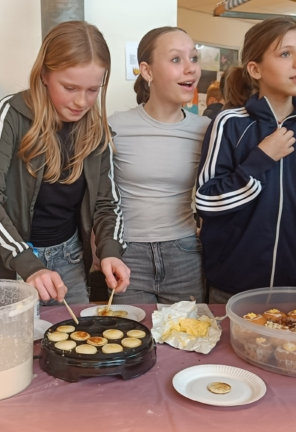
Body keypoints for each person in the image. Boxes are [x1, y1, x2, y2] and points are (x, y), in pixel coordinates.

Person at [0, 21, 130, 304]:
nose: (82, 101)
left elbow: (108, 204)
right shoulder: (11, 114)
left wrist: (111, 251)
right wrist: (26, 262)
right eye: (69, 87)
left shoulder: (97, 130)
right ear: (44, 74)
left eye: (93, 89)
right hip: (18, 261)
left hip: (71, 258)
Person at [195, 17, 296, 304]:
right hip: (232, 286)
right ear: (255, 69)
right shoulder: (230, 124)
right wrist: (260, 159)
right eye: (286, 53)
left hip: (295, 287)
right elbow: (206, 201)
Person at [109, 27, 210, 304]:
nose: (190, 69)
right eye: (176, 60)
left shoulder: (207, 130)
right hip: (128, 255)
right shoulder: (115, 125)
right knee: (131, 341)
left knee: (187, 340)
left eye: (194, 58)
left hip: (184, 253)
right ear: (147, 71)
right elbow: (98, 195)